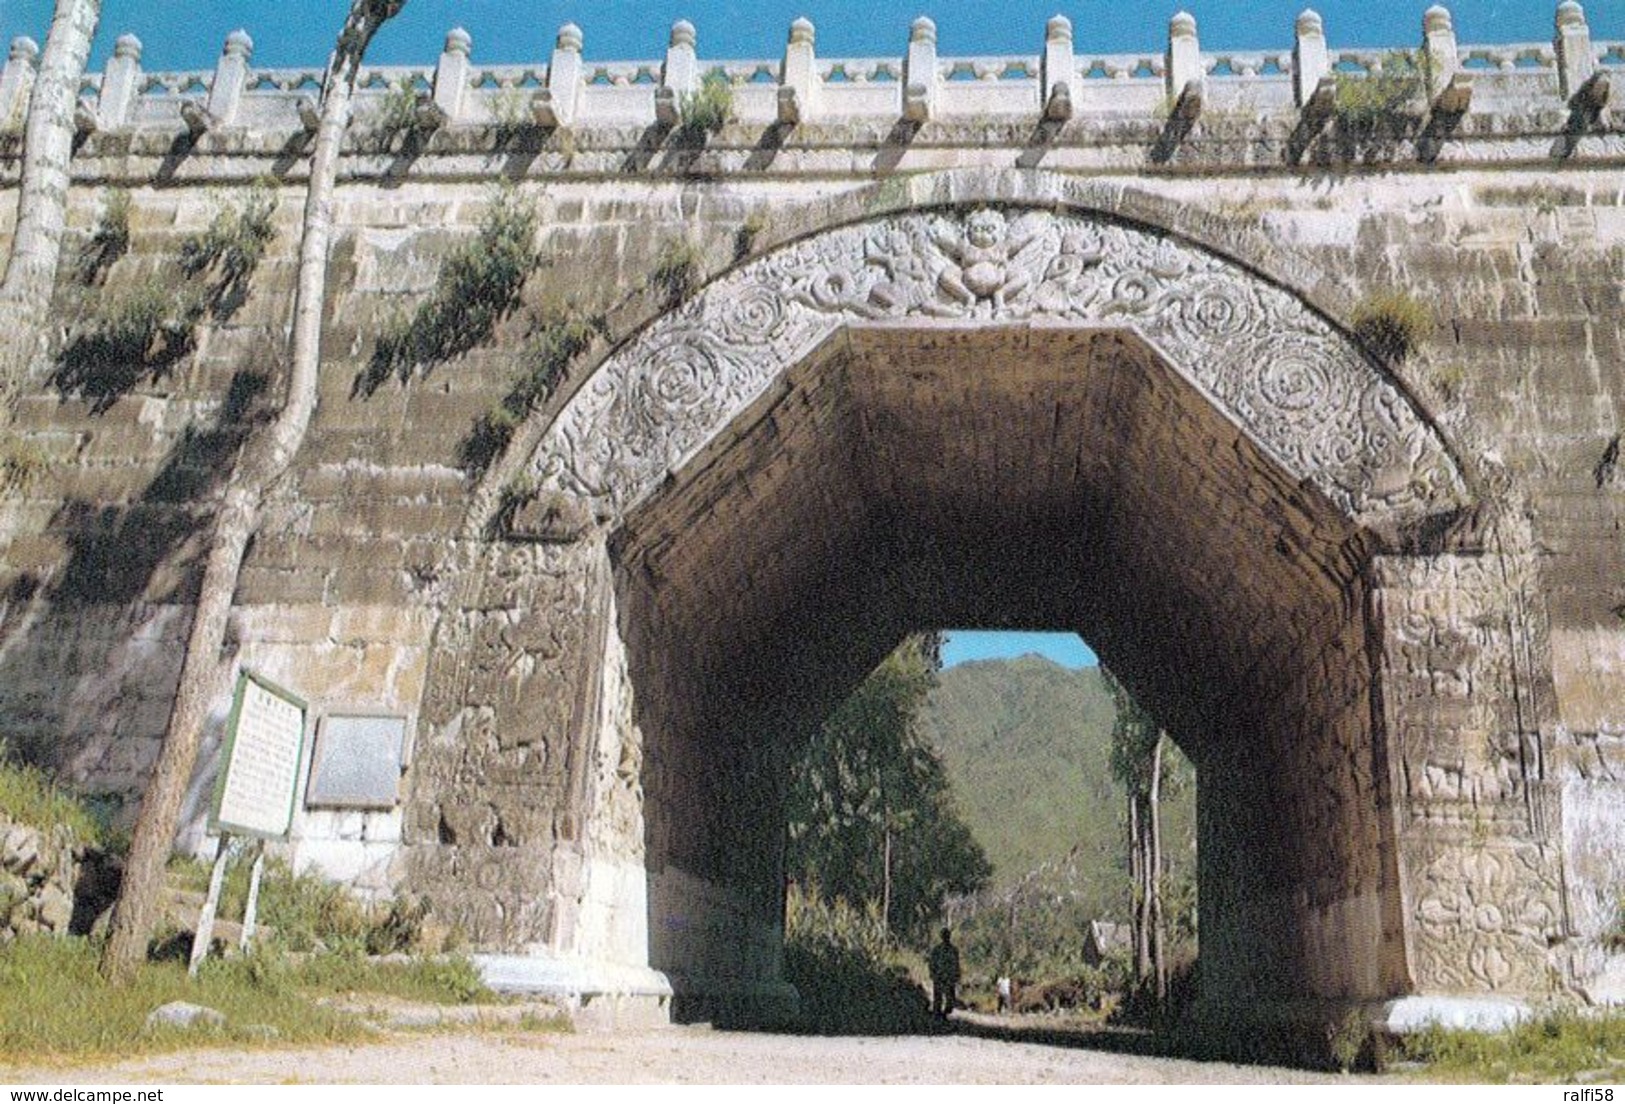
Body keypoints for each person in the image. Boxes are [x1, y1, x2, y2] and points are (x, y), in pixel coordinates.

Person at [927, 926, 961, 1018]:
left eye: (947, 935)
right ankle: (937, 1013)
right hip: (939, 975)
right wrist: (932, 973)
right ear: (942, 936)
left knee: (950, 996)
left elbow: (956, 963)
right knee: (938, 996)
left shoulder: (954, 950)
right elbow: (932, 962)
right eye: (944, 935)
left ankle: (946, 1011)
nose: (946, 937)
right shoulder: (937, 950)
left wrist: (957, 974)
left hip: (949, 976)